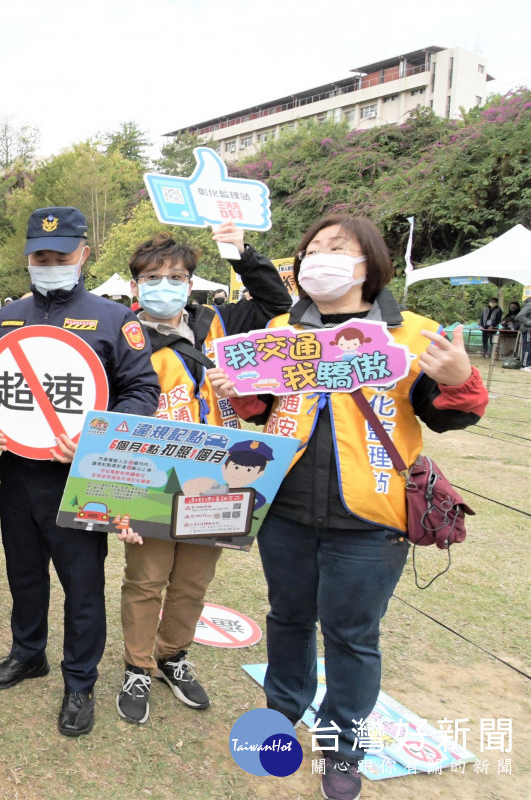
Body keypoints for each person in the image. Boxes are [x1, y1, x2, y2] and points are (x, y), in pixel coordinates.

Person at [208, 215, 487, 800]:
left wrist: (460, 380)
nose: (320, 259)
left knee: (352, 637)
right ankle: (280, 718)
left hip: (370, 523)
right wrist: (241, 394)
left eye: (338, 248)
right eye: (312, 249)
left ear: (370, 263)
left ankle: (342, 749)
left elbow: (448, 413)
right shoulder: (282, 329)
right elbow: (263, 411)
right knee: (287, 619)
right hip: (284, 512)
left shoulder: (413, 335)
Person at [0, 207, 160, 737]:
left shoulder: (113, 318)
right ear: (27, 258)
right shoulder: (5, 318)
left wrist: (95, 437)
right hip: (19, 473)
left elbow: (144, 392)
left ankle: (80, 682)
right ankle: (28, 652)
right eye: (40, 257)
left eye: (60, 256)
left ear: (84, 254)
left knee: (82, 584)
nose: (49, 264)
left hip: (83, 477)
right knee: (23, 572)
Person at [115, 224, 292, 726]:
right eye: (152, 277)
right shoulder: (122, 333)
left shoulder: (219, 321)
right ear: (135, 286)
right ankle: (138, 665)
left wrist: (240, 253)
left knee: (193, 580)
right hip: (152, 476)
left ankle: (173, 655)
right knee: (146, 579)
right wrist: (115, 499)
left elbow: (277, 302)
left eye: (175, 276)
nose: (163, 285)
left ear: (191, 283)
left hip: (220, 477)